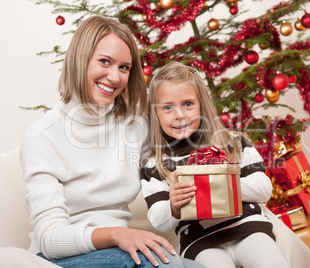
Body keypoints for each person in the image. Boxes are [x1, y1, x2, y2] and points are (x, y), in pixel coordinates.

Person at [20, 16, 204, 268]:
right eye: (105, 62)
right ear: (79, 59)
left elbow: (180, 157)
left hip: (121, 250)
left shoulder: (135, 126)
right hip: (64, 257)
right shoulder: (42, 136)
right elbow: (50, 238)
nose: (115, 77)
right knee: (167, 264)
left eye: (124, 67)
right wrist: (118, 234)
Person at [140, 61, 291, 267]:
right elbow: (159, 220)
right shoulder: (153, 165)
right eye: (167, 107)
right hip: (199, 241)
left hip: (247, 227)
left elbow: (264, 190)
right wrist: (173, 207)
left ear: (202, 104)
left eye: (188, 104)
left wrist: (223, 185)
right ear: (155, 114)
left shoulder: (234, 144)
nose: (180, 115)